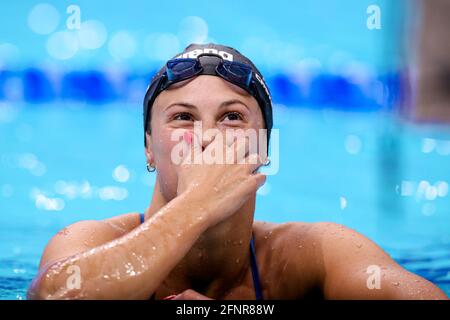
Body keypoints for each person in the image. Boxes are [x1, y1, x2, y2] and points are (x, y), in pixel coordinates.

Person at [28, 43, 447, 300]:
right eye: (182, 118)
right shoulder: (90, 241)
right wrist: (196, 205)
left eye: (231, 117)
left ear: (265, 151)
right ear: (148, 149)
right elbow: (56, 297)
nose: (207, 136)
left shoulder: (311, 256)